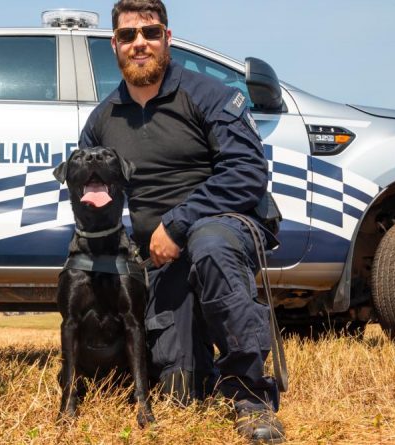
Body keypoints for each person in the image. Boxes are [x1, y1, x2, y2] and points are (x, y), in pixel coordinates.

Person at [79, 1, 285, 443]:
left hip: (226, 225)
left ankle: (250, 395)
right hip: (157, 254)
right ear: (115, 44)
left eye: (150, 33)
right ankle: (200, 369)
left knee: (209, 243)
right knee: (179, 392)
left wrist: (176, 224)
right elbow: (93, 200)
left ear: (167, 39)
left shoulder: (208, 94)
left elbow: (247, 174)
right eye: (129, 35)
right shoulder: (101, 121)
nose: (140, 44)